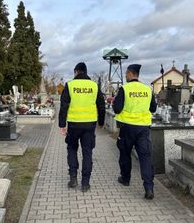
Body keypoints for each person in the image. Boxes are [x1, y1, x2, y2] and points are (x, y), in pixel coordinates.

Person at [59, 62, 105, 192]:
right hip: (90, 125)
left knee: (72, 149)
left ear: (76, 72)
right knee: (87, 152)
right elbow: (101, 105)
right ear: (85, 72)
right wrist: (101, 122)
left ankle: (73, 177)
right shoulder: (94, 86)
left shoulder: (70, 85)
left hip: (73, 124)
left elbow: (64, 106)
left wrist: (62, 125)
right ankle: (85, 183)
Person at [113, 64, 157, 199]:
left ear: (131, 74)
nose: (125, 75)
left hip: (127, 128)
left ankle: (125, 179)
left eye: (126, 73)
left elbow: (117, 109)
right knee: (145, 157)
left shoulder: (124, 89)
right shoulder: (148, 89)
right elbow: (153, 108)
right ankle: (149, 187)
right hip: (143, 128)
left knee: (125, 154)